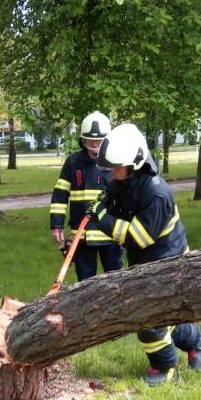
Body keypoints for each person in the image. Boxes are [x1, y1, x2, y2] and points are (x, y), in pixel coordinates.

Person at [86, 123, 201, 386]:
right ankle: (198, 342)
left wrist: (102, 217)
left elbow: (138, 237)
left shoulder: (157, 194)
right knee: (165, 317)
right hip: (146, 263)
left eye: (117, 167)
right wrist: (105, 202)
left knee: (148, 318)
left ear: (135, 163)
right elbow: (116, 202)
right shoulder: (125, 181)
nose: (112, 172)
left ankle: (164, 367)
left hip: (170, 263)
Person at [49, 111, 124, 280]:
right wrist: (56, 224)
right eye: (91, 140)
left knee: (116, 280)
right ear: (83, 139)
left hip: (111, 234)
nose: (95, 144)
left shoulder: (116, 161)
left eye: (99, 140)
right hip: (81, 236)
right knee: (85, 282)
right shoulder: (73, 162)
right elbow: (60, 195)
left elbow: (126, 196)